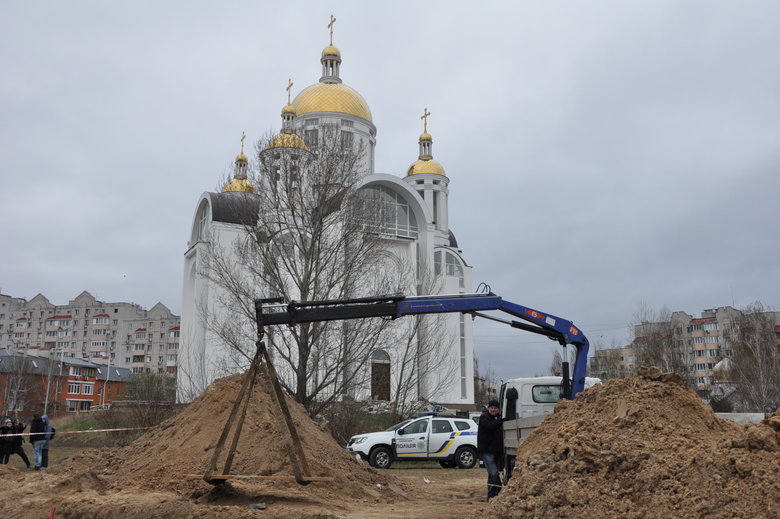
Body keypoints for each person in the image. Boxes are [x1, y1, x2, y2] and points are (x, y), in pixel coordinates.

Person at [477, 398, 504, 502]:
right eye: (492, 408)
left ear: (498, 409)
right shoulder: (484, 417)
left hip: (496, 451)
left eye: (495, 408)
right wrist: (501, 420)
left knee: (490, 476)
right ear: (488, 408)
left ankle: (491, 498)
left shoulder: (497, 419)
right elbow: (489, 427)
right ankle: (498, 488)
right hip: (487, 451)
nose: (493, 410)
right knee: (494, 474)